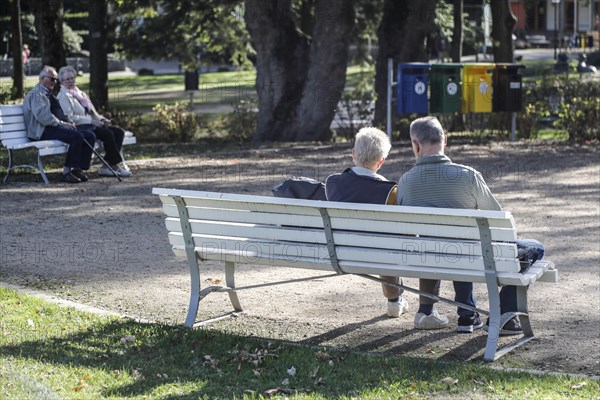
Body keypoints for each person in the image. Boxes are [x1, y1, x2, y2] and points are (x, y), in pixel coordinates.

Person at [397, 116, 544, 334]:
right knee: (535, 247)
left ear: (415, 145)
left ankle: (468, 316)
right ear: (444, 140)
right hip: (470, 257)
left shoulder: (406, 182)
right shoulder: (469, 176)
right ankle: (503, 314)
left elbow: (403, 231)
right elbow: (498, 224)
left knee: (454, 245)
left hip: (428, 257)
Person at [325, 127, 408, 318]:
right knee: (386, 242)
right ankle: (394, 300)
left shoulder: (332, 182)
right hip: (378, 254)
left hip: (340, 251)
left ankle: (396, 299)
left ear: (353, 153)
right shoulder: (391, 191)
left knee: (381, 241)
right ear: (381, 162)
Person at [23, 65, 96, 183]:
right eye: (52, 79)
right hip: (40, 130)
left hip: (51, 127)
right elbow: (43, 117)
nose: (55, 82)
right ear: (42, 78)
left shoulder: (48, 94)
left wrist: (67, 121)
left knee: (89, 135)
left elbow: (58, 113)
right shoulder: (36, 94)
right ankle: (67, 172)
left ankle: (78, 169)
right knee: (76, 137)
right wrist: (61, 124)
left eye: (56, 79)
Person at [57, 65, 132, 177]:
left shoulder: (80, 93)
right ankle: (115, 165)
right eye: (67, 79)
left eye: (72, 78)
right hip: (81, 127)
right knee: (108, 134)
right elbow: (70, 118)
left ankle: (107, 166)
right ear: (61, 81)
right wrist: (91, 121)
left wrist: (103, 120)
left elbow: (93, 112)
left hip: (92, 124)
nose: (70, 81)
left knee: (119, 132)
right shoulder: (63, 96)